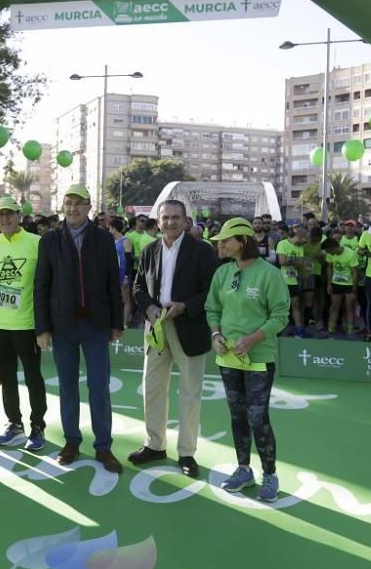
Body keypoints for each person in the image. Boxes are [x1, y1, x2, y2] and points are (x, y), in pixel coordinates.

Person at [34, 184, 123, 473]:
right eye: (68, 203)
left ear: (89, 206)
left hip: (96, 325)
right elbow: (41, 286)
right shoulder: (50, 240)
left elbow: (113, 282)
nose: (72, 208)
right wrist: (42, 327)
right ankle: (71, 441)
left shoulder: (103, 239)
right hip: (62, 326)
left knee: (99, 386)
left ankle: (103, 447)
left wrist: (116, 323)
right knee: (67, 386)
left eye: (78, 203)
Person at [130, 199, 218, 478]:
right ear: (158, 220)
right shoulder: (149, 250)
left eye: (176, 217)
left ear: (185, 220)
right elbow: (138, 286)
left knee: (190, 392)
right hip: (156, 327)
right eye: (165, 217)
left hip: (188, 326)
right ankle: (155, 445)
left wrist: (186, 306)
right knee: (153, 387)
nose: (170, 222)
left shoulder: (202, 251)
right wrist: (149, 307)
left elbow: (211, 291)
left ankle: (187, 452)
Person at [206, 218, 290, 502]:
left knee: (257, 417)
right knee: (237, 415)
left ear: (242, 241)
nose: (221, 244)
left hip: (259, 359)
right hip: (227, 358)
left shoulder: (269, 274)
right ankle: (244, 469)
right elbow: (212, 308)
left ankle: (270, 474)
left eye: (226, 240)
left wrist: (253, 338)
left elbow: (280, 315)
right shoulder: (222, 273)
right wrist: (216, 334)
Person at [0, 196, 47, 451]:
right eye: (0, 215)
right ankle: (14, 424)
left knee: (33, 377)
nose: (5, 219)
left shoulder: (36, 242)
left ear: (20, 216)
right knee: (7, 376)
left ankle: (37, 426)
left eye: (10, 214)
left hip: (28, 325)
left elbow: (47, 282)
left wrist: (45, 324)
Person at [323, 237, 359, 337]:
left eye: (328, 251)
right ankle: (331, 330)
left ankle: (350, 330)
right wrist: (329, 283)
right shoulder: (330, 254)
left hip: (349, 285)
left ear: (332, 248)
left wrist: (354, 290)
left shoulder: (351, 254)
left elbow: (355, 272)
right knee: (334, 307)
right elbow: (329, 268)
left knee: (349, 308)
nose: (327, 253)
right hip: (336, 284)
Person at [275, 228, 307, 337]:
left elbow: (301, 264)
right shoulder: (282, 244)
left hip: (293, 281)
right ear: (299, 237)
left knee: (295, 305)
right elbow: (282, 262)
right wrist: (295, 261)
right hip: (281, 281)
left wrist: (290, 260)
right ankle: (278, 329)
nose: (304, 243)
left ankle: (298, 329)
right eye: (304, 240)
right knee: (280, 306)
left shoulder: (301, 248)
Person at [108, 217, 134, 329]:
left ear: (114, 228)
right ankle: (116, 321)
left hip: (123, 273)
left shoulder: (126, 241)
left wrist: (126, 277)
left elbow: (129, 260)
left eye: (109, 228)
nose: (109, 231)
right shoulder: (113, 241)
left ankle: (124, 323)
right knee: (115, 298)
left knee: (125, 299)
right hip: (115, 273)